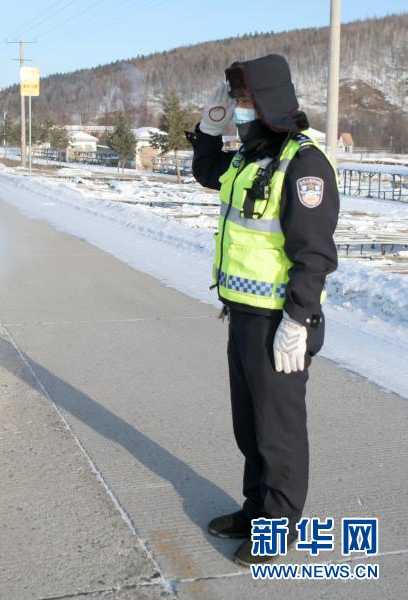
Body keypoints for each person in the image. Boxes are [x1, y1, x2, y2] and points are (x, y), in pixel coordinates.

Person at [187, 54, 340, 566]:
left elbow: (313, 253)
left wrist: (298, 320)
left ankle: (279, 528)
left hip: (280, 321)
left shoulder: (304, 163)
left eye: (246, 100)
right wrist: (210, 125)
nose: (240, 109)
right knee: (249, 426)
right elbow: (207, 172)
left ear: (272, 100)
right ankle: (256, 510)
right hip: (243, 314)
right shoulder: (251, 154)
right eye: (237, 101)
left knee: (278, 431)